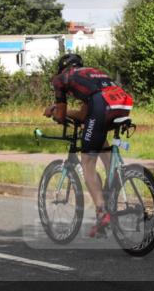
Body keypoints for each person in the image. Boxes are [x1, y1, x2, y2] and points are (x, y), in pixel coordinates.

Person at [44, 53, 134, 238]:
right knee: (100, 145)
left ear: (62, 69)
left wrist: (53, 111)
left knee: (87, 162)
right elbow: (85, 114)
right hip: (121, 103)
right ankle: (111, 193)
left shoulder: (60, 79)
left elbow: (61, 116)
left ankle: (102, 212)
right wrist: (65, 112)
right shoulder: (92, 74)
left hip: (101, 105)